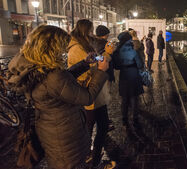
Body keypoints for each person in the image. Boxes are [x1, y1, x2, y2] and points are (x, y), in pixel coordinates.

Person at [7, 25, 110, 169]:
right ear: (51, 47)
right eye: (60, 47)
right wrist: (100, 71)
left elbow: (62, 83)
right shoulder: (53, 77)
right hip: (65, 139)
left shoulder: (36, 67)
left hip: (51, 131)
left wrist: (84, 64)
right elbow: (86, 97)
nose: (63, 51)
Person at [67, 20, 114, 168]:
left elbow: (96, 60)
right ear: (85, 31)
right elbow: (90, 71)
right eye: (90, 31)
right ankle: (90, 158)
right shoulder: (77, 49)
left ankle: (94, 157)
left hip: (96, 95)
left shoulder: (83, 46)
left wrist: (106, 54)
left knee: (102, 125)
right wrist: (107, 55)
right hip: (90, 96)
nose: (92, 34)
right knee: (89, 128)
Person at [114, 31, 144, 128]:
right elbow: (140, 65)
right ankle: (135, 120)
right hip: (134, 76)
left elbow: (117, 66)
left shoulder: (118, 51)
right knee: (134, 98)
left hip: (124, 77)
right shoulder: (133, 50)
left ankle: (124, 119)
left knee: (125, 99)